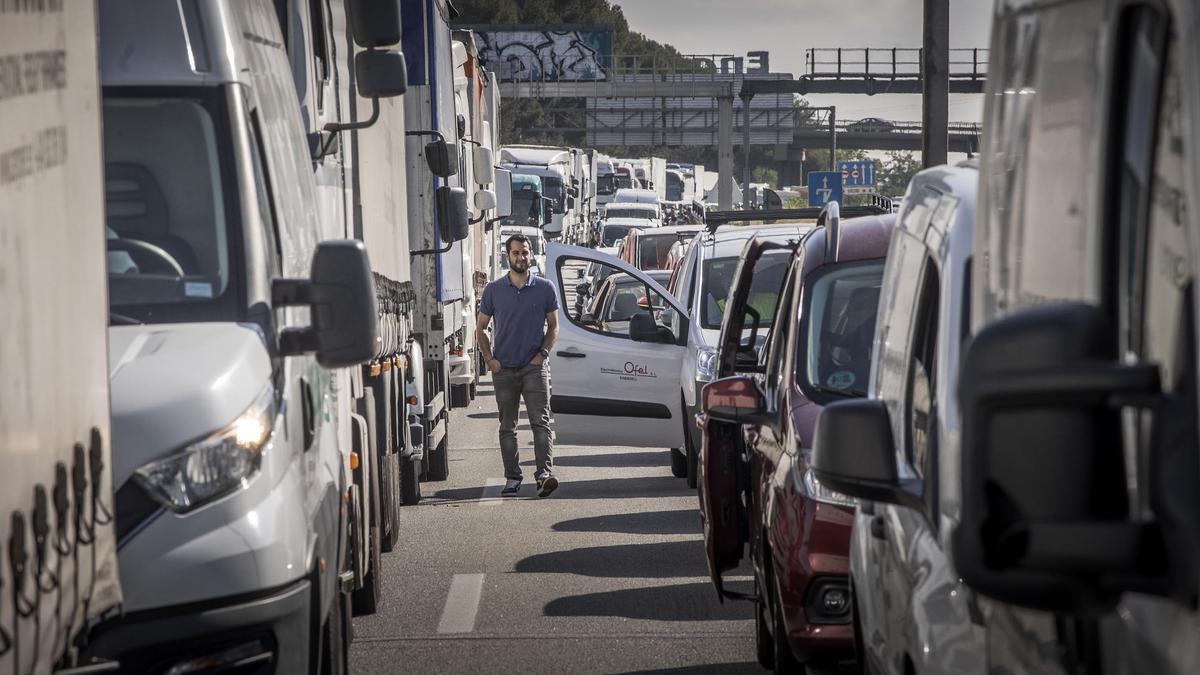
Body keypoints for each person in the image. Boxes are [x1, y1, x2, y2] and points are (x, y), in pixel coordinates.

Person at [475, 233, 561, 497]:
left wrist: (542, 354)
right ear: (507, 256)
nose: (521, 257)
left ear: (531, 255)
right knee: (507, 427)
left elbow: (554, 326)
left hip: (534, 367)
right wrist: (490, 360)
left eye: (525, 252)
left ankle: (543, 476)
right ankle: (513, 478)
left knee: (541, 423)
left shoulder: (545, 288)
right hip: (505, 369)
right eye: (516, 253)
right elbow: (480, 328)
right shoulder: (493, 290)